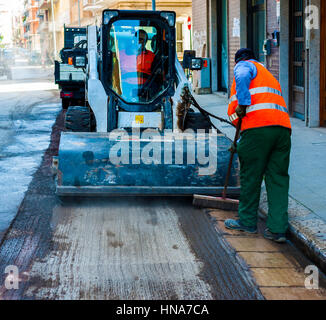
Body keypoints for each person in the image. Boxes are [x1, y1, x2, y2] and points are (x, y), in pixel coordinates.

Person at [224, 48, 292, 243]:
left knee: (251, 177)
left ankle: (247, 222)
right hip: (282, 130)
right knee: (278, 179)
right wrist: (239, 143)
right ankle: (277, 230)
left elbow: (243, 79)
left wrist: (242, 104)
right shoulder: (267, 74)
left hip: (257, 129)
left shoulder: (244, 66)